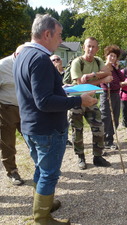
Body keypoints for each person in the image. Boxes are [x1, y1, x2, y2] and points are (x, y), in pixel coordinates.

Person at [13, 14, 98, 224]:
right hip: (46, 128)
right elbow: (44, 101)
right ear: (47, 33)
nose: (61, 40)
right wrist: (78, 101)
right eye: (59, 36)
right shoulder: (40, 59)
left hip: (31, 125)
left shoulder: (22, 54)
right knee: (49, 173)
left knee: (41, 169)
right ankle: (42, 217)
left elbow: (36, 92)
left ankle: (43, 204)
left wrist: (62, 89)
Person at [69, 37, 113, 170]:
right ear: (83, 47)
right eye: (88, 46)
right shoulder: (77, 62)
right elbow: (80, 84)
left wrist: (91, 75)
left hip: (92, 101)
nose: (91, 49)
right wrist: (102, 80)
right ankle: (80, 157)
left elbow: (108, 72)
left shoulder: (98, 60)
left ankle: (98, 156)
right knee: (77, 130)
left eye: (94, 47)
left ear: (97, 49)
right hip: (76, 101)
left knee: (99, 128)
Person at [0, 45, 25, 186]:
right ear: (16, 54)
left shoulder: (29, 64)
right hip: (7, 109)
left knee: (33, 139)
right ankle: (12, 171)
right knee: (8, 143)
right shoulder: (3, 66)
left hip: (26, 109)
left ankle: (42, 169)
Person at [99, 45, 125, 149]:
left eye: (114, 56)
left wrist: (117, 68)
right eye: (111, 56)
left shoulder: (114, 68)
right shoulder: (102, 68)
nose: (112, 58)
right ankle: (105, 140)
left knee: (115, 117)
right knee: (106, 118)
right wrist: (114, 84)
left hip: (116, 94)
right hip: (106, 94)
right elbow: (103, 81)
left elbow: (122, 78)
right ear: (106, 56)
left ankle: (110, 139)